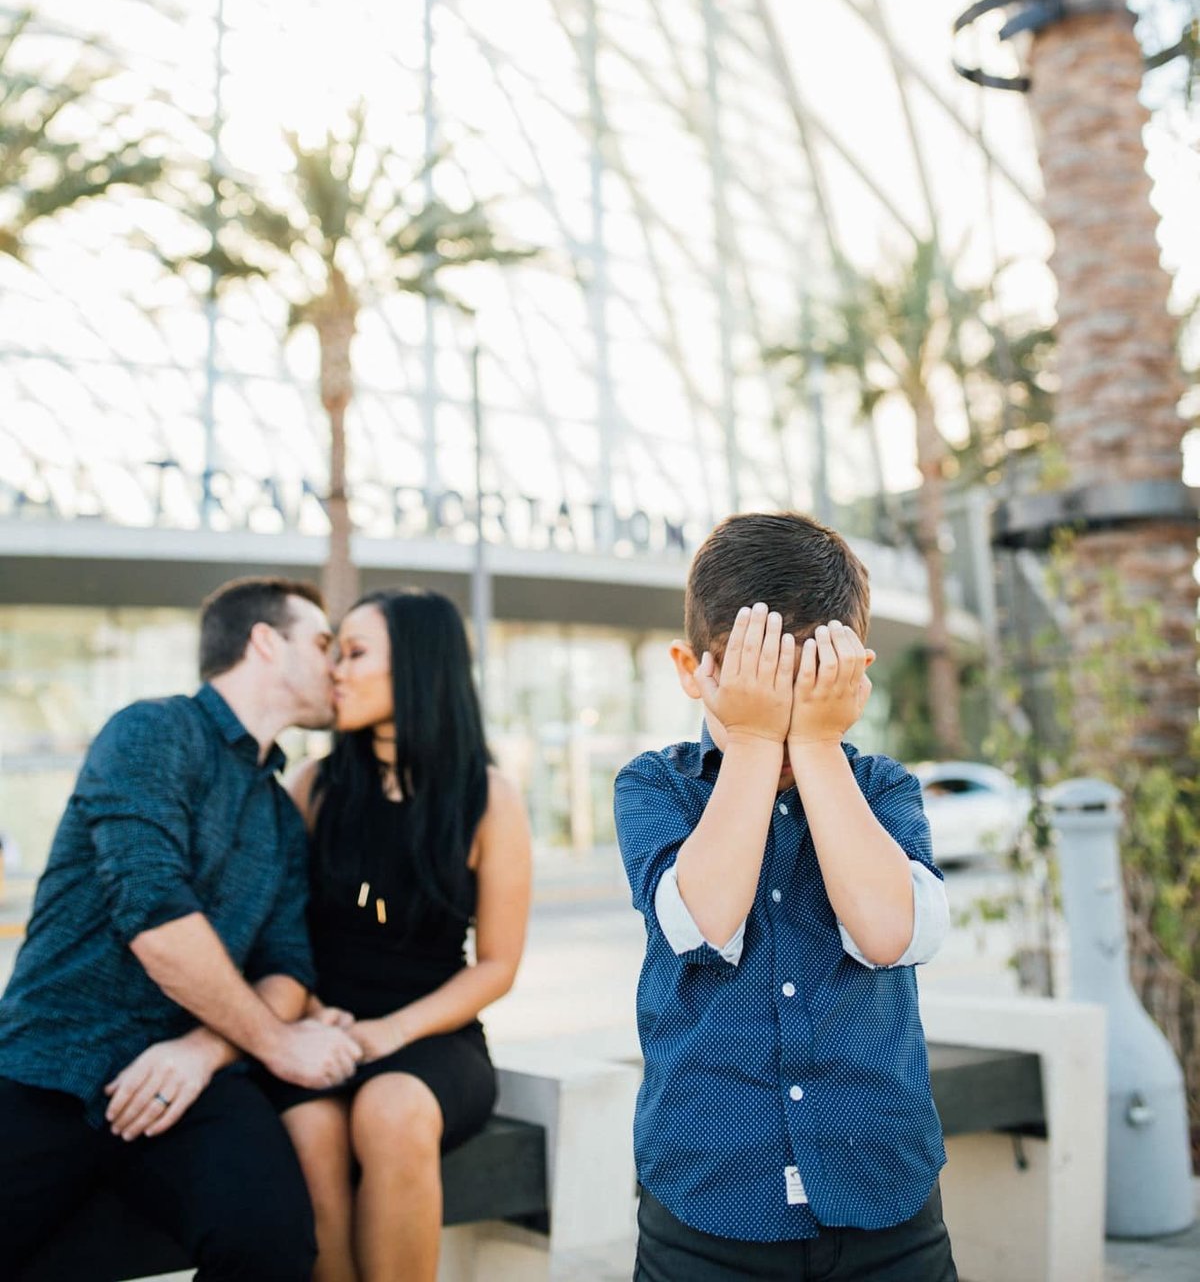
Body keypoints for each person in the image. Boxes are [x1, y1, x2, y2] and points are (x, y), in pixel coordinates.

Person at [614, 512, 957, 1282]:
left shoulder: (882, 789)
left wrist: (814, 743)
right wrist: (758, 736)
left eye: (800, 680)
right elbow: (704, 924)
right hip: (707, 1198)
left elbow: (887, 932)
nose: (777, 700)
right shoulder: (655, 786)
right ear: (690, 668)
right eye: (751, 678)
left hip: (886, 1191)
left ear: (849, 673)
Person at [0, 576, 363, 1281]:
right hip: (52, 1064)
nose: (334, 665)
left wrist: (203, 1051)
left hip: (187, 1080)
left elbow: (288, 968)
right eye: (321, 643)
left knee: (272, 1242)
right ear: (265, 642)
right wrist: (276, 1045)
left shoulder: (281, 816)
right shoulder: (152, 730)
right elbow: (155, 916)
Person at [274, 587, 532, 1282]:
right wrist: (304, 1013)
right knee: (311, 1131)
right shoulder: (313, 786)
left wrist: (392, 1032)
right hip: (315, 1031)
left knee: (390, 1111)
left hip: (432, 1039)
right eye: (334, 653)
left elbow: (498, 966)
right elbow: (274, 934)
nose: (336, 671)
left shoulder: (488, 798)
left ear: (418, 666)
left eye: (355, 653)